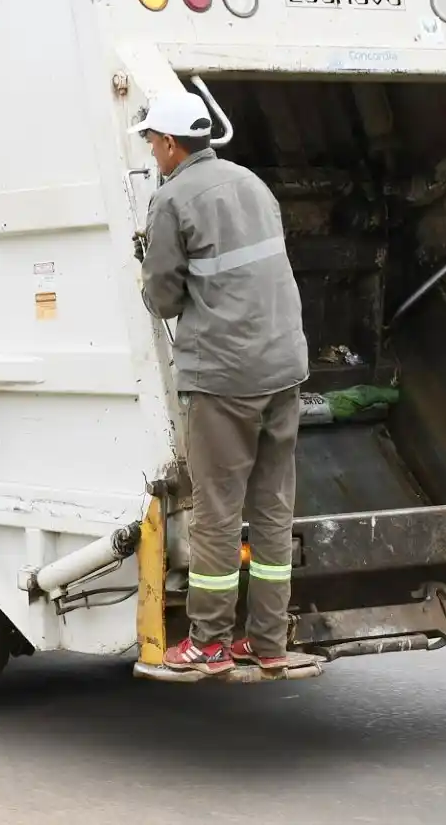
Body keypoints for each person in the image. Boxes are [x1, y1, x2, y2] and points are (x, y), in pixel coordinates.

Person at [131, 91, 309, 675]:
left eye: (154, 140)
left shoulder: (172, 198)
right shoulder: (253, 183)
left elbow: (161, 297)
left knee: (217, 513)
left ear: (172, 144)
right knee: (274, 508)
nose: (153, 149)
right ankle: (269, 641)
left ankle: (209, 641)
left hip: (226, 379)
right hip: (283, 368)